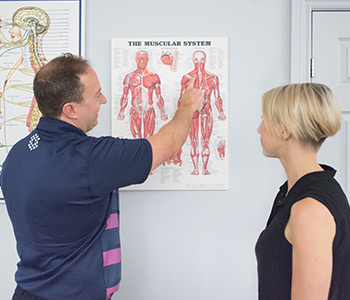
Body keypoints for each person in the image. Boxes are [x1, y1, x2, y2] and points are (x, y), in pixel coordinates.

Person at [1, 53, 203, 300]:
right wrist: (187, 107)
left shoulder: (19, 153)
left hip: (27, 292)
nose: (104, 100)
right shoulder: (89, 160)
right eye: (97, 95)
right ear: (71, 109)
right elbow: (169, 143)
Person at [255, 83, 350, 300]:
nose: (259, 128)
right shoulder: (295, 193)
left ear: (285, 129)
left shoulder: (309, 209)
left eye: (264, 120)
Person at [175, 50, 226, 174]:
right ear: (193, 61)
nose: (199, 63)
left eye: (201, 60)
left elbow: (217, 97)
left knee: (205, 141)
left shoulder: (213, 78)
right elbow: (181, 98)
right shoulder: (186, 78)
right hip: (192, 113)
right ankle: (195, 169)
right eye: (196, 60)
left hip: (206, 111)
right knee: (193, 142)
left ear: (205, 60)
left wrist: (220, 112)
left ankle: (204, 168)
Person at [117, 50, 168, 138]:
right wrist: (121, 112)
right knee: (137, 138)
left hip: (149, 110)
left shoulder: (154, 76)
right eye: (139, 59)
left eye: (144, 59)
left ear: (148, 60)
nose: (141, 61)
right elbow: (125, 96)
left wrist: (162, 112)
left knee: (148, 138)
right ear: (135, 60)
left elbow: (158, 96)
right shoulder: (129, 77)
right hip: (134, 110)